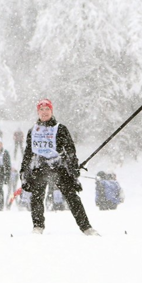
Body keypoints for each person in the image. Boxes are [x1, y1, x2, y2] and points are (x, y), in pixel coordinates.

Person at [20, 99, 98, 236]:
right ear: (38, 112)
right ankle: (38, 226)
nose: (44, 112)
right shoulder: (32, 131)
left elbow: (70, 149)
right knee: (37, 196)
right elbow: (28, 153)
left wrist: (73, 166)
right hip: (39, 166)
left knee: (71, 196)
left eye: (47, 109)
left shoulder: (60, 128)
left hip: (58, 166)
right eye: (41, 110)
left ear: (51, 111)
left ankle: (86, 227)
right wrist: (24, 169)